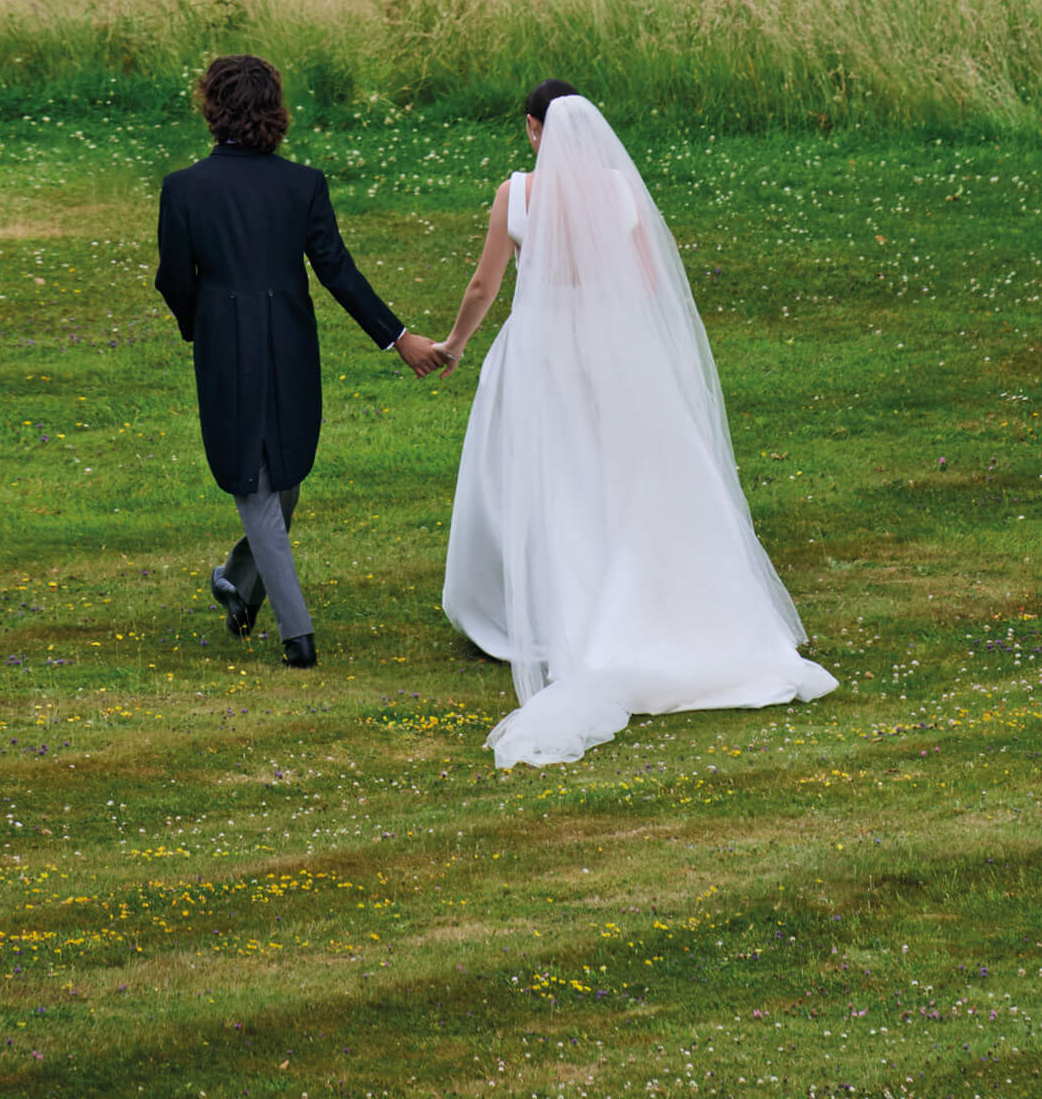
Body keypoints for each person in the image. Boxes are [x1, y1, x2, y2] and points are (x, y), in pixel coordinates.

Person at [435, 80, 836, 765]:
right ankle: (646, 603)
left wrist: (456, 343)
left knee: (546, 476)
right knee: (619, 472)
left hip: (539, 349)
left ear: (534, 129)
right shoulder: (620, 192)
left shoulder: (519, 194)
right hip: (608, 346)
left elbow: (484, 285)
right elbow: (649, 284)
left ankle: (547, 609)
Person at [155, 54, 445, 667]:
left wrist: (398, 337)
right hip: (280, 341)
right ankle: (296, 632)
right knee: (257, 481)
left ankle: (245, 585)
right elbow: (336, 274)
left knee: (280, 479)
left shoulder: (212, 188)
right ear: (274, 113)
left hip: (257, 345)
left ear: (212, 108)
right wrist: (198, 324)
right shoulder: (279, 185)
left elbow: (179, 280)